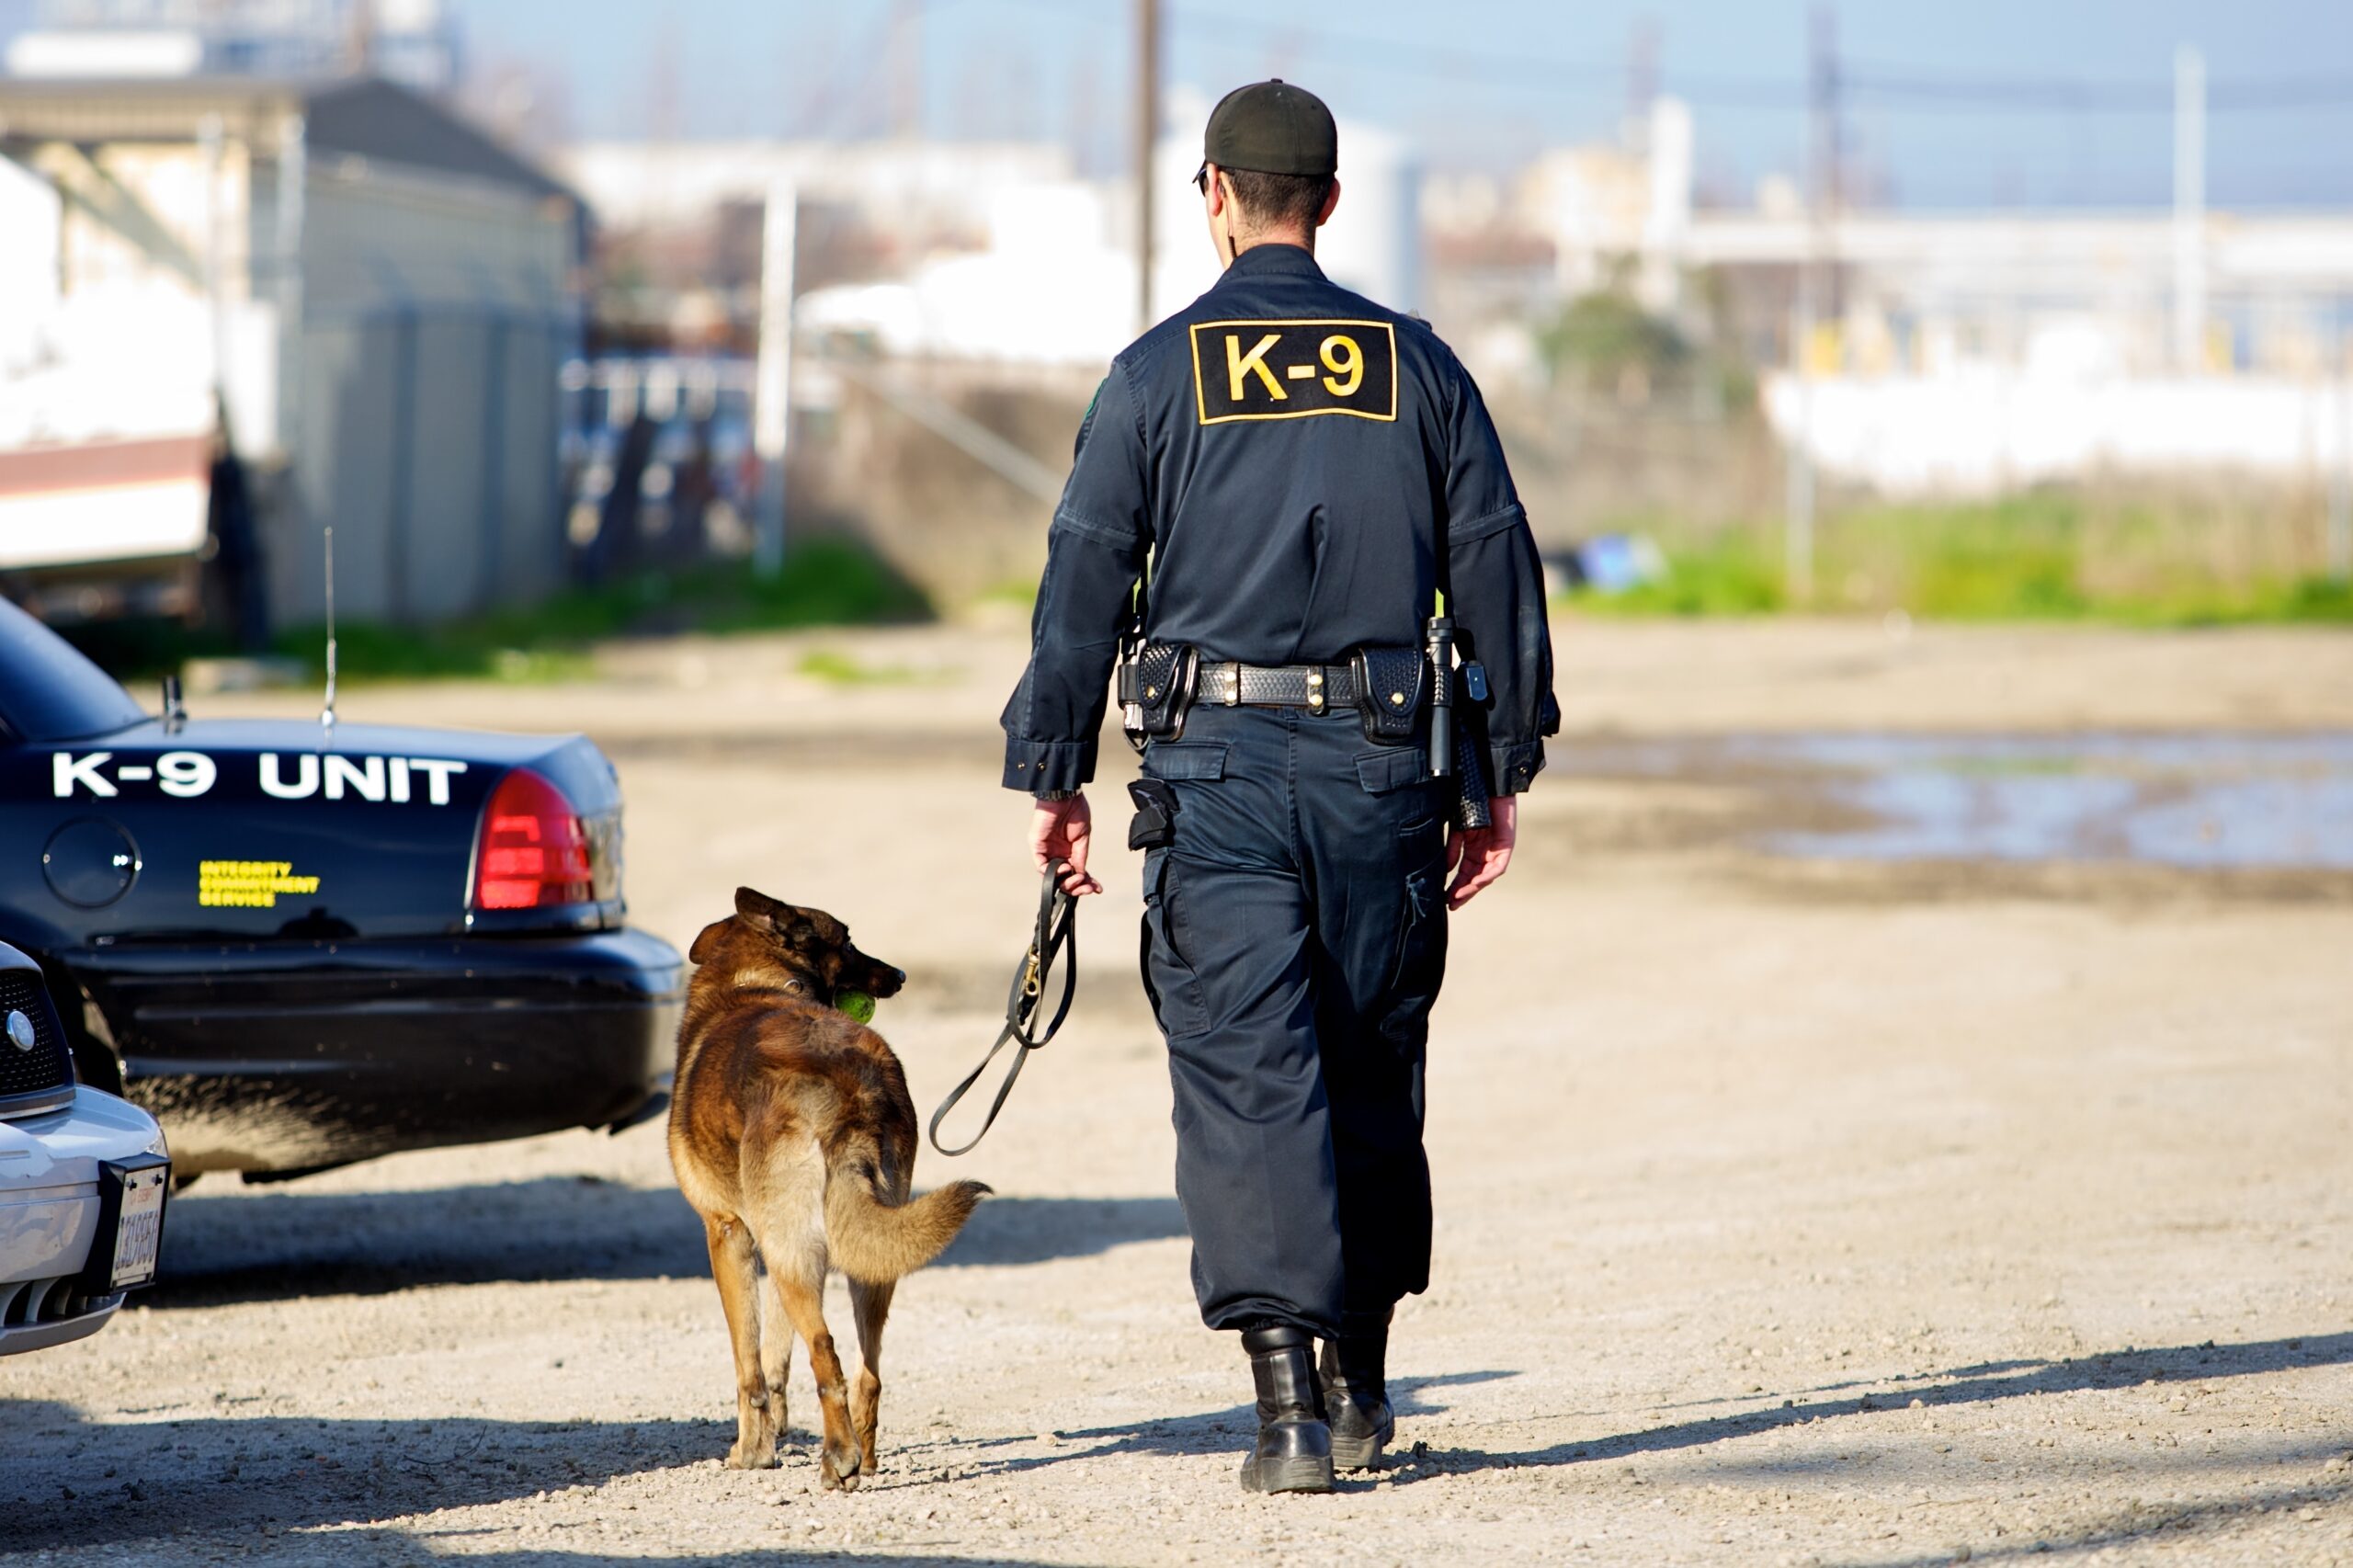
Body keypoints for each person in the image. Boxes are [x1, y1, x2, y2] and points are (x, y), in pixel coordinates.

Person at [1000, 79, 1556, 1494]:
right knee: (1369, 1058)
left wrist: (1054, 773)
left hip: (1217, 777)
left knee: (1253, 1077)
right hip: (1383, 774)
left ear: (1214, 197)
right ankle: (1363, 1371)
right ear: (1327, 202)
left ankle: (1289, 1411)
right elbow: (1494, 560)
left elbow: (1079, 583)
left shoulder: (1151, 376)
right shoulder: (1418, 366)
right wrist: (1498, 772)